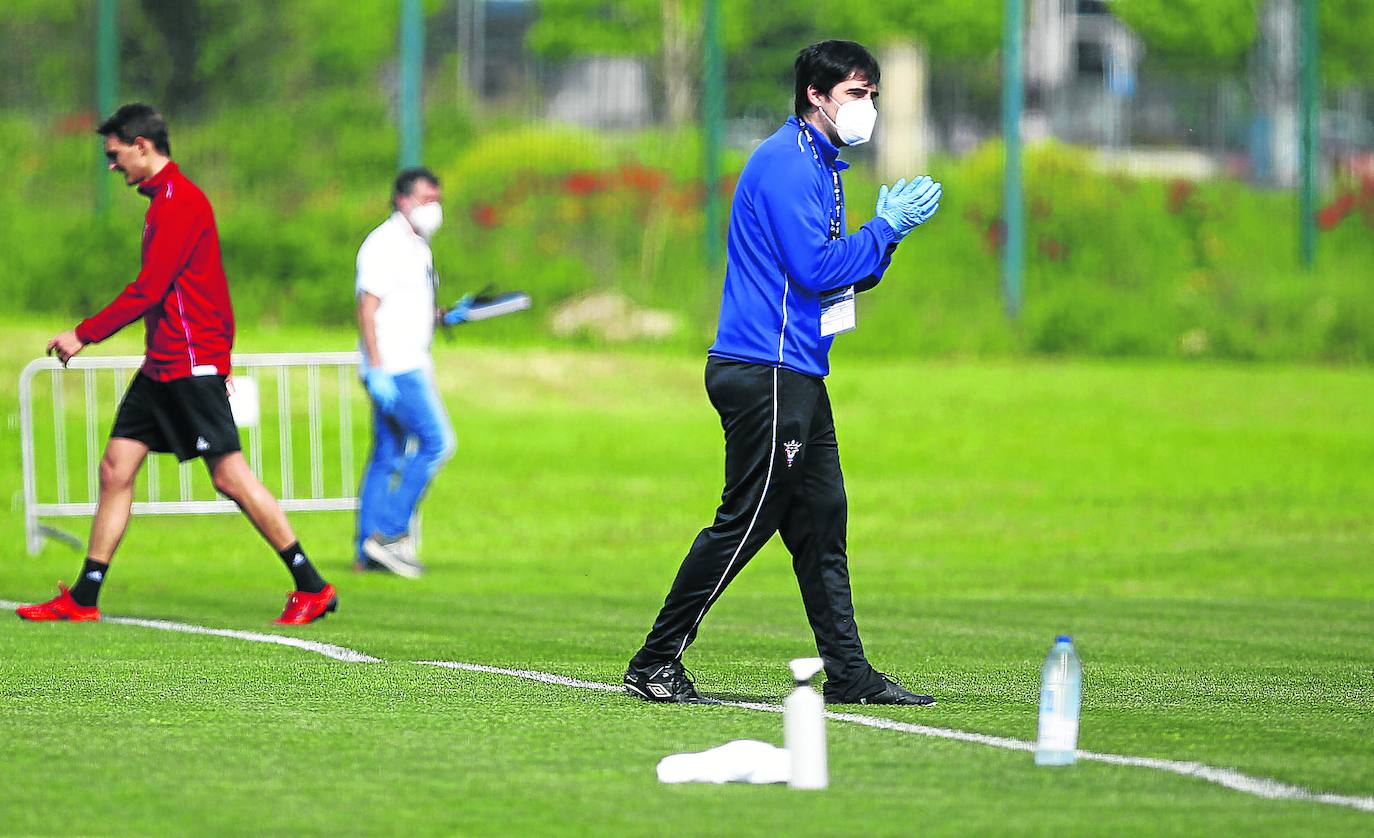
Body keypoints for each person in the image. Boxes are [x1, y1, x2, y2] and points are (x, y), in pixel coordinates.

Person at [624, 41, 942, 705]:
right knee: (747, 518)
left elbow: (838, 277)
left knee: (822, 519)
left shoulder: (823, 165)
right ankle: (656, 660)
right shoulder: (788, 164)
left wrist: (887, 237)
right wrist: (883, 229)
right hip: (764, 370)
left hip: (796, 370)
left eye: (874, 95)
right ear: (817, 97)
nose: (869, 108)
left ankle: (849, 674)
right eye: (857, 94)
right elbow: (817, 269)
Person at [18, 103, 337, 625]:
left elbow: (149, 289)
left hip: (188, 363)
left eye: (115, 155)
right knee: (115, 468)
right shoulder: (162, 201)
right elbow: (211, 287)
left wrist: (84, 333)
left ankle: (312, 585)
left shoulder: (180, 202)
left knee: (229, 476)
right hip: (163, 365)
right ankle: (84, 596)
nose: (111, 166)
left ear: (142, 146)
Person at [353, 168, 463, 577]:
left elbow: (407, 303)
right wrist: (377, 368)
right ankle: (389, 535)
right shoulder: (384, 244)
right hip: (397, 366)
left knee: (387, 455)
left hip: (409, 356)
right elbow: (368, 307)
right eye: (424, 198)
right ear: (401, 199)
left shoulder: (420, 246)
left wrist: (443, 316)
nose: (432, 207)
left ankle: (366, 549)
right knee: (438, 443)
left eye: (437, 199)